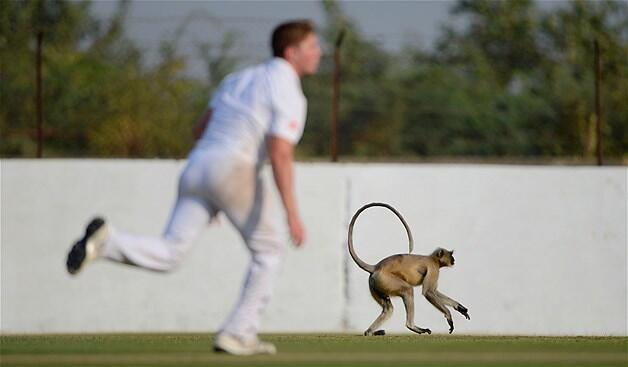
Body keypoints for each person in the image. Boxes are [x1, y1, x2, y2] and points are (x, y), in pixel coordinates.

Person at [66, 20, 321, 356]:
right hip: (233, 167)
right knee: (270, 251)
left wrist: (213, 195)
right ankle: (238, 332)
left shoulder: (238, 78)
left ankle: (108, 242)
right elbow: (280, 152)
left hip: (198, 165)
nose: (319, 53)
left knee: (172, 252)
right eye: (313, 46)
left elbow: (200, 128)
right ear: (291, 52)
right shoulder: (287, 88)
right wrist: (292, 213)